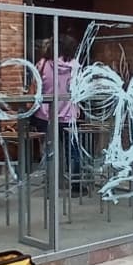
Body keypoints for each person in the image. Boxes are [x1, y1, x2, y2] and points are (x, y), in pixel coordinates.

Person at [32, 35, 83, 188]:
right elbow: (78, 90)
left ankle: (50, 183)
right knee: (73, 151)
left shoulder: (42, 64)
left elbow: (35, 87)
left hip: (45, 115)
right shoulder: (75, 66)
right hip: (69, 115)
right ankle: (76, 185)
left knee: (49, 150)